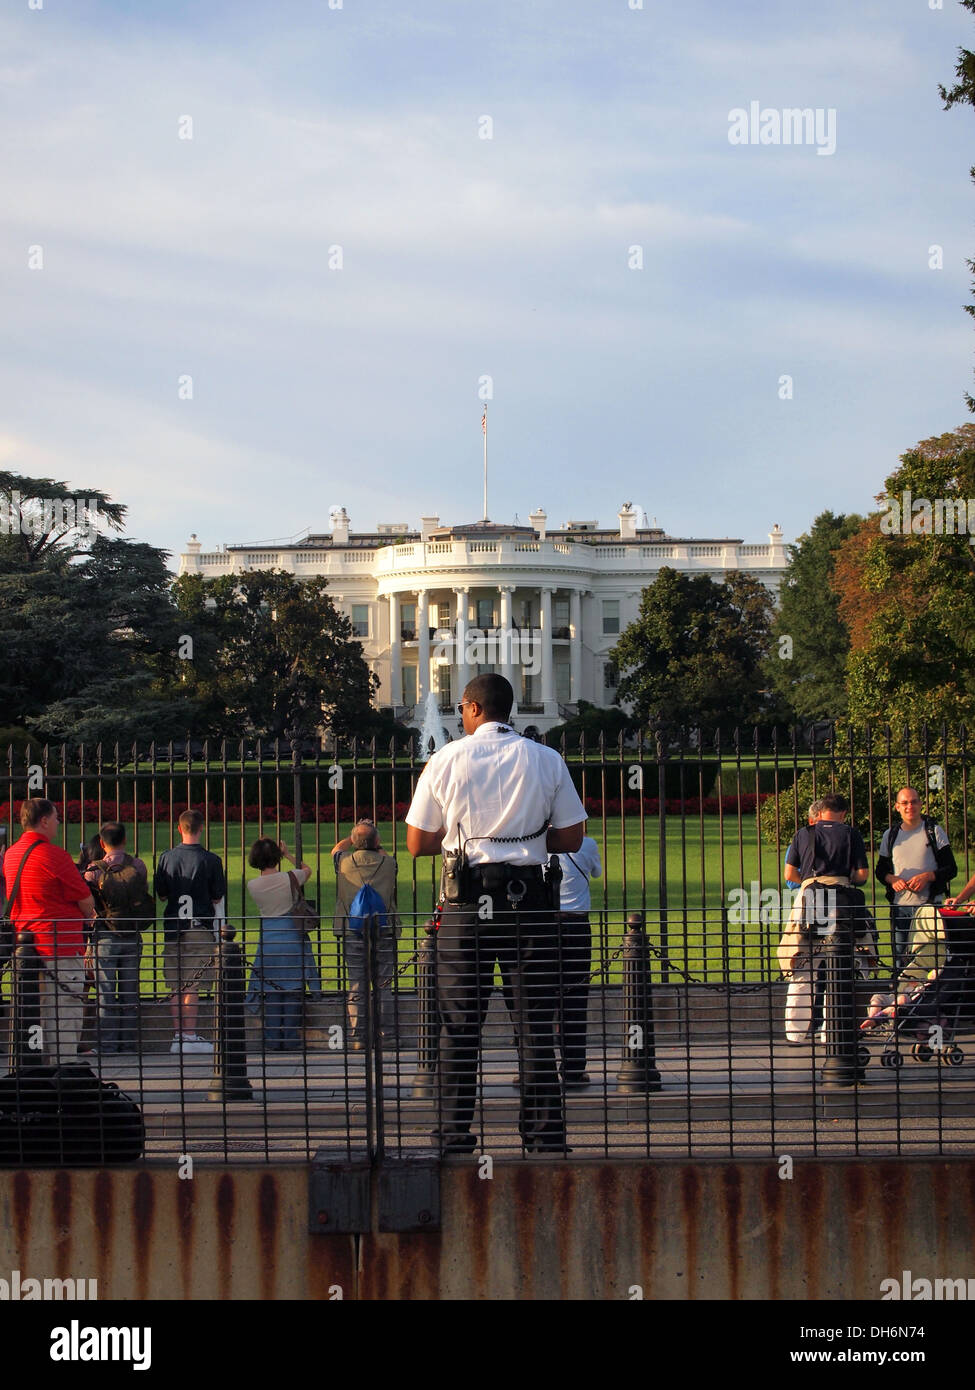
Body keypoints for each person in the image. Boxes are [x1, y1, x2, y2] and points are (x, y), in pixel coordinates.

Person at [406, 673, 586, 1154]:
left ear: (470, 708)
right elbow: (571, 838)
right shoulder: (546, 759)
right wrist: (527, 839)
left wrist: (466, 837)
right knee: (533, 1026)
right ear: (511, 712)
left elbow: (417, 843)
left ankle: (453, 1135)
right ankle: (544, 1135)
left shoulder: (446, 758)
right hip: (529, 904)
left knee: (459, 1027)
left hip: (466, 906)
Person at [1, 798, 96, 1064]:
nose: (58, 822)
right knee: (64, 1021)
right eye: (55, 817)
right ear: (43, 820)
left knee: (34, 1019)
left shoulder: (11, 855)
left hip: (27, 952)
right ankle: (61, 1081)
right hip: (60, 947)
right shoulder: (55, 855)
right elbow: (86, 900)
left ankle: (36, 1078)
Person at [777, 792, 873, 1045]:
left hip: (809, 898)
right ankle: (829, 1030)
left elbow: (789, 873)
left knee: (802, 966)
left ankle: (795, 1032)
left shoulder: (804, 833)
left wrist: (810, 881)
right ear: (843, 814)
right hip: (842, 901)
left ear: (819, 813)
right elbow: (863, 875)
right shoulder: (851, 834)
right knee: (838, 967)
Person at [154, 809, 226, 1055]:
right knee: (192, 984)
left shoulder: (166, 858)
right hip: (199, 926)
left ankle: (179, 1036)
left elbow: (162, 894)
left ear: (179, 828)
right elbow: (218, 897)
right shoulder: (211, 860)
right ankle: (189, 1035)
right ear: (201, 828)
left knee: (175, 985)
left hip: (174, 926)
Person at [83, 822, 154, 1053]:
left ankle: (108, 1044)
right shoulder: (138, 865)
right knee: (130, 991)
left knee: (106, 992)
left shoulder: (94, 870)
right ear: (125, 840)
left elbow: (89, 905)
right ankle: (129, 1043)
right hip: (132, 934)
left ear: (102, 843)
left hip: (105, 935)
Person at [245, 838, 321, 1051]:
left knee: (271, 990)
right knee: (293, 989)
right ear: (276, 857)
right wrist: (288, 854)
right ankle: (290, 1037)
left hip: (268, 939)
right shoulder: (291, 877)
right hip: (292, 936)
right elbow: (307, 869)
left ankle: (271, 1038)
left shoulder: (253, 885)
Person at [332, 820, 400, 1051]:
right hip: (384, 927)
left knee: (356, 982)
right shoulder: (389, 863)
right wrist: (371, 839)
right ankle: (387, 1035)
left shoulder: (344, 862)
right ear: (378, 842)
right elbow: (384, 853)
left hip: (353, 928)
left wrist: (355, 837)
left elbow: (336, 849)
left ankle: (358, 1035)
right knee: (384, 983)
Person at [876, 788, 956, 968]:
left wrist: (928, 876)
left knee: (932, 959)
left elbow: (951, 868)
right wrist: (892, 879)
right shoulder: (890, 835)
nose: (909, 806)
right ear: (897, 807)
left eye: (913, 802)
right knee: (900, 961)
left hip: (930, 906)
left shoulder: (934, 831)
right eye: (904, 803)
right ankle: (901, 995)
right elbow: (880, 871)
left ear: (920, 804)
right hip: (900, 908)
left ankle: (929, 995)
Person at [554, 835, 602, 1086]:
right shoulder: (587, 844)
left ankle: (534, 1067)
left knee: (536, 999)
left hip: (541, 925)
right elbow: (596, 873)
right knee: (574, 997)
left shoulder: (533, 842)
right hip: (576, 925)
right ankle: (573, 1068)